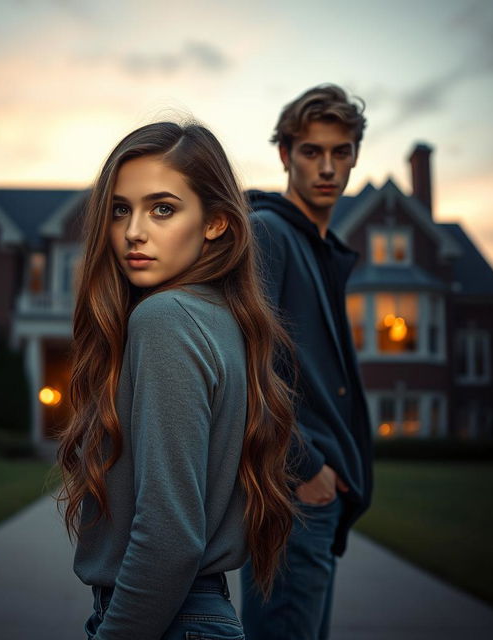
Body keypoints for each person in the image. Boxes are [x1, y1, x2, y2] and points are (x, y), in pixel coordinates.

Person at [57, 121, 298, 640]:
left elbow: (169, 537)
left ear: (215, 223)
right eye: (121, 209)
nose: (133, 232)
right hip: (195, 614)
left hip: (166, 620)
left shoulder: (165, 319)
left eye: (162, 208)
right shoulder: (220, 317)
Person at [240, 84, 374, 640]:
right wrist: (306, 467)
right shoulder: (268, 234)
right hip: (293, 498)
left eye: (340, 152)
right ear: (285, 156)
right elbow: (245, 367)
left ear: (354, 157)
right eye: (311, 152)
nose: (327, 167)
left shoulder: (319, 248)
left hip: (316, 504)